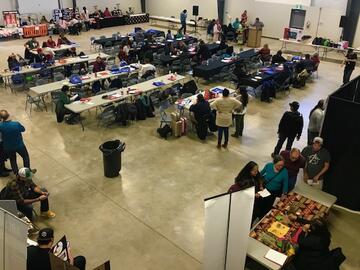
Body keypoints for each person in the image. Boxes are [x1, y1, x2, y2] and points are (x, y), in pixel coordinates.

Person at [0, 110, 34, 174]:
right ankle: (27, 172)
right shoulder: (16, 124)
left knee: (12, 160)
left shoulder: (0, 126)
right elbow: (23, 129)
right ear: (8, 115)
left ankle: (16, 174)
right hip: (19, 145)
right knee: (25, 156)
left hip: (8, 147)